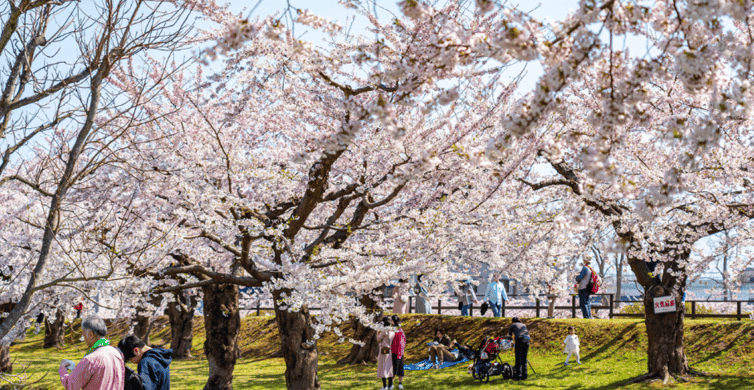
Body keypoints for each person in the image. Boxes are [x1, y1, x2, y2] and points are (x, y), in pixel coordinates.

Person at [59, 314, 125, 390]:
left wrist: (62, 368)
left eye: (83, 335)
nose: (84, 339)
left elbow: (70, 385)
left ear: (90, 334)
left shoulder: (90, 359)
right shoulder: (117, 353)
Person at [508, 317, 530, 381]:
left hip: (520, 339)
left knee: (518, 358)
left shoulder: (512, 325)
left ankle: (518, 376)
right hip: (527, 339)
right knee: (524, 358)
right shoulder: (523, 325)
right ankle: (524, 375)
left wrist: (510, 341)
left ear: (513, 321)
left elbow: (509, 337)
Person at [376, 317, 395, 390]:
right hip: (389, 349)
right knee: (389, 367)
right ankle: (390, 385)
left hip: (384, 348)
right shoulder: (392, 330)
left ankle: (384, 386)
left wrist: (377, 333)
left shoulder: (384, 331)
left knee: (383, 366)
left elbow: (378, 339)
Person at [390, 315, 406, 390]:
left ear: (393, 321)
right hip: (394, 351)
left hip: (398, 352)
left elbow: (403, 340)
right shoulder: (395, 329)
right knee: (393, 368)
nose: (390, 322)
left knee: (399, 368)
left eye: (391, 320)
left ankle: (399, 383)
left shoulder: (398, 329)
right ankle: (391, 383)